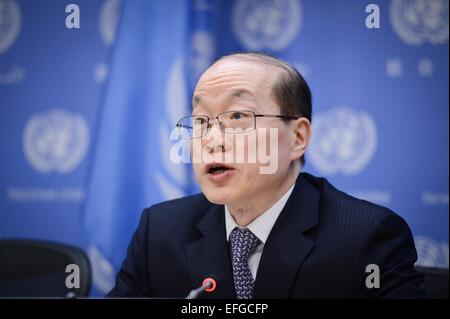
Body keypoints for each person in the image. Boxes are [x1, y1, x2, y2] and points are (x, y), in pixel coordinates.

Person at [107, 52, 425, 298]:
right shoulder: (160, 231)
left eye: (237, 117)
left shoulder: (367, 237)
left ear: (298, 138)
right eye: (201, 121)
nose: (212, 140)